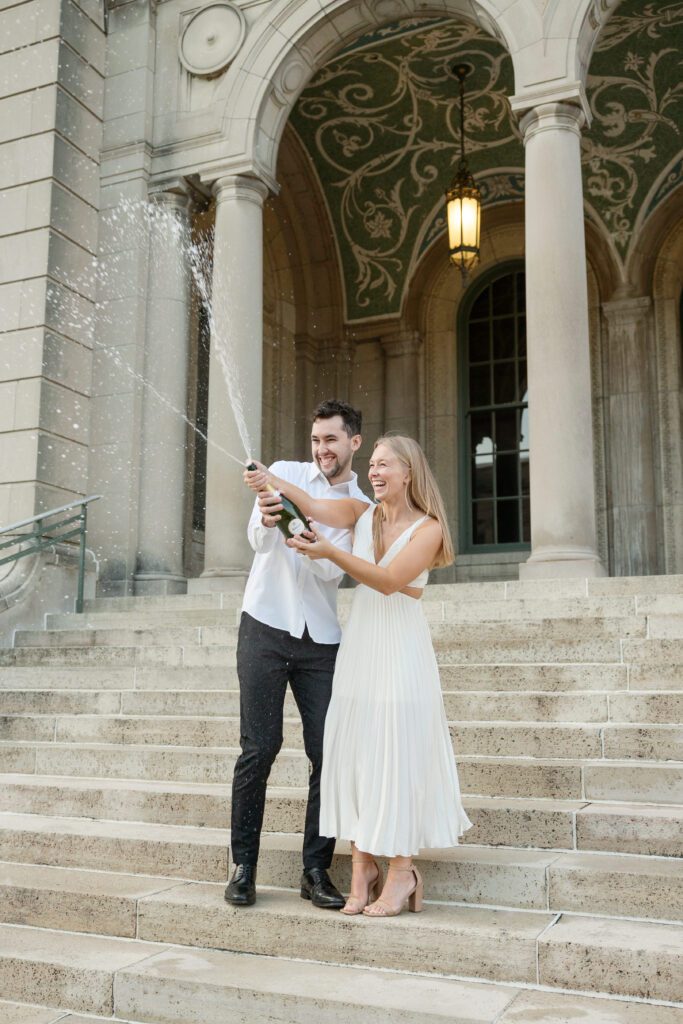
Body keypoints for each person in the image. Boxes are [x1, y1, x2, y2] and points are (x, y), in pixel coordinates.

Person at [245, 435, 472, 918]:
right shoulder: (361, 512)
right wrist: (266, 478)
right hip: (361, 648)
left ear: (408, 472)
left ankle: (403, 871)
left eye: (384, 464)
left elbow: (390, 582)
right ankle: (363, 865)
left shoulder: (428, 529)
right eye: (372, 464)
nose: (374, 470)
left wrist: (329, 554)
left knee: (397, 753)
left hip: (400, 649)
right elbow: (308, 502)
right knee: (358, 754)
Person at [225, 399, 371, 909]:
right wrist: (268, 522)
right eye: (316, 440)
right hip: (264, 625)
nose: (322, 449)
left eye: (331, 440)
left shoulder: (360, 506)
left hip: (321, 641)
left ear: (354, 442)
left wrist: (314, 547)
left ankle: (315, 870)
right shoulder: (284, 473)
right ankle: (243, 867)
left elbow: (336, 575)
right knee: (258, 749)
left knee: (327, 755)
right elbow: (256, 542)